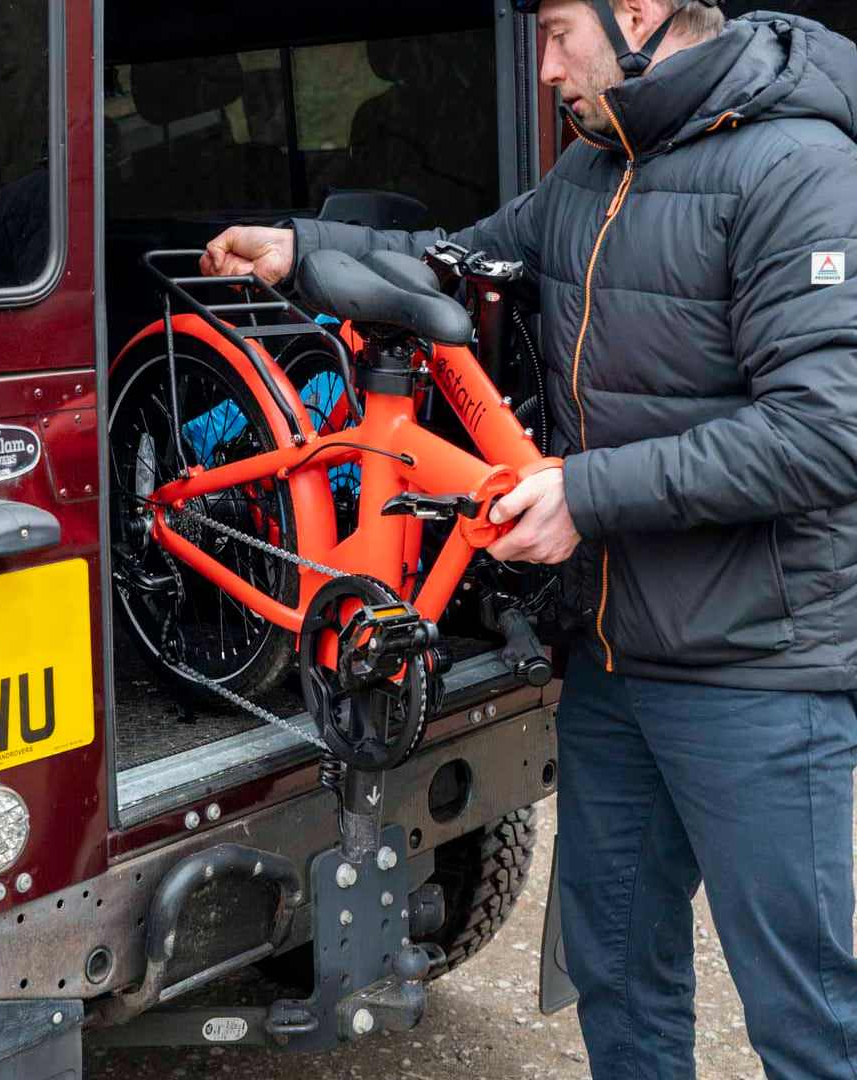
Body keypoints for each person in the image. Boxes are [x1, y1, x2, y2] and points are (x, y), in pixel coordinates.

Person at [200, 1, 857, 1076]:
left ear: (637, 13)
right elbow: (454, 260)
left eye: (558, 33)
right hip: (612, 653)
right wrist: (303, 246)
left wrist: (586, 494)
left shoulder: (799, 168)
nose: (542, 66)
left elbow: (827, 431)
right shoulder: (595, 170)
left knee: (806, 1014)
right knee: (616, 969)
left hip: (759, 670)